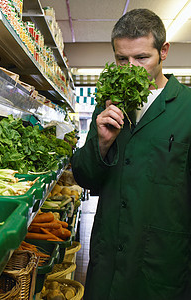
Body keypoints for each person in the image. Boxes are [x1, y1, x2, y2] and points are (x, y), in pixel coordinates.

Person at [71, 8, 191, 300]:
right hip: (109, 255)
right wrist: (101, 143)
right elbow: (85, 177)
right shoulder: (108, 104)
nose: (130, 69)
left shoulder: (186, 108)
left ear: (163, 52)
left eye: (141, 58)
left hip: (162, 262)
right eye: (121, 59)